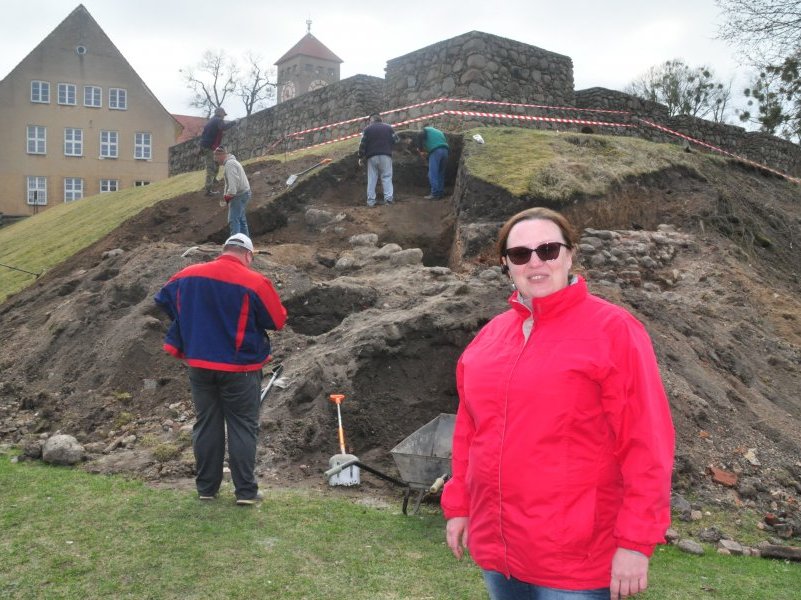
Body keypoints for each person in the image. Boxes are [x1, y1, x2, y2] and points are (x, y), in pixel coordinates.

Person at [442, 207, 674, 600]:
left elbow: (647, 443)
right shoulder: (490, 338)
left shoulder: (614, 331)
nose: (535, 262)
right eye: (520, 254)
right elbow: (469, 433)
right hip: (499, 551)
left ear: (570, 255)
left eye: (548, 250)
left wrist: (636, 541)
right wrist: (459, 506)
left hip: (576, 559)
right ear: (506, 264)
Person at [154, 233, 287, 506]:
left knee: (206, 424)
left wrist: (191, 324)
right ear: (248, 255)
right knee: (242, 426)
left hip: (200, 364)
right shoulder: (255, 281)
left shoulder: (188, 274)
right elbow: (277, 320)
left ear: (224, 250)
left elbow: (164, 298)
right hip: (241, 367)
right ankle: (245, 492)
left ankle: (206, 489)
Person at [357, 112, 399, 207]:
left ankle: (371, 201)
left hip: (372, 157)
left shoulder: (367, 129)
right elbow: (396, 140)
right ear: (380, 119)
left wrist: (360, 157)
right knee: (386, 177)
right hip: (385, 155)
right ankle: (388, 200)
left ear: (371, 120)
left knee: (372, 178)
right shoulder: (388, 127)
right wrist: (389, 146)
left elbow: (362, 145)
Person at [200, 107, 239, 196]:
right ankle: (208, 190)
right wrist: (235, 122)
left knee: (217, 162)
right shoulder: (218, 120)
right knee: (210, 167)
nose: (224, 116)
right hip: (209, 147)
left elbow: (203, 134)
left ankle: (214, 179)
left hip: (209, 146)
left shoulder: (211, 121)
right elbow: (223, 127)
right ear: (220, 113)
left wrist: (201, 148)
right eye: (223, 114)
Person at [214, 146, 252, 236]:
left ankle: (235, 242)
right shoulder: (231, 162)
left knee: (233, 219)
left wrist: (228, 196)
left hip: (239, 195)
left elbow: (233, 183)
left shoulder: (230, 164)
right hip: (244, 193)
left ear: (221, 155)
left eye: (216, 157)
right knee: (241, 219)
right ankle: (245, 241)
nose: (216, 160)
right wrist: (227, 195)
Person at [416, 125, 449, 200]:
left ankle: (435, 194)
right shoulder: (438, 132)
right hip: (445, 151)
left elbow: (420, 134)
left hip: (436, 151)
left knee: (432, 174)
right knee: (440, 173)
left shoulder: (426, 129)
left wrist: (420, 149)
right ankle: (440, 192)